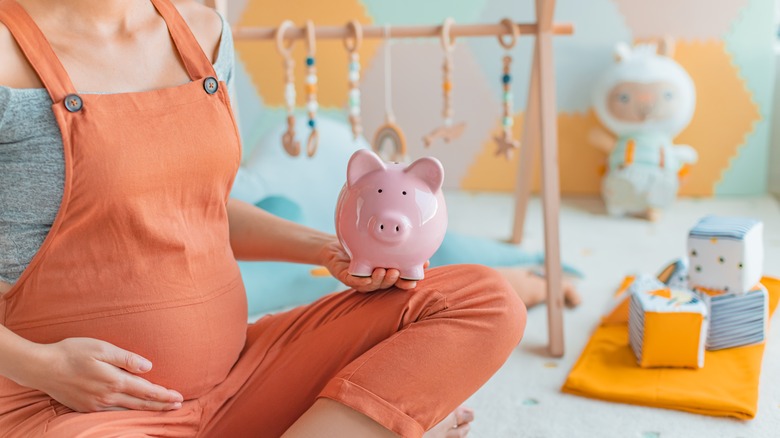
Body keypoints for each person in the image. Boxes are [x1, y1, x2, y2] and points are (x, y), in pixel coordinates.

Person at [0, 0, 527, 436]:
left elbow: (199, 206)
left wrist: (328, 251)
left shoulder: (202, 32)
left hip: (242, 377)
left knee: (486, 301)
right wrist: (41, 367)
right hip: (71, 411)